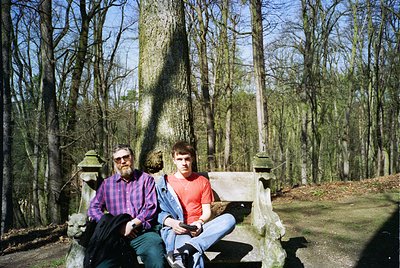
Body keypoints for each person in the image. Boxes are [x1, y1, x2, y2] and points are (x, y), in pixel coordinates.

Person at [156, 141, 236, 268]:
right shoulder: (165, 183)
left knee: (229, 219)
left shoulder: (202, 181)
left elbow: (207, 212)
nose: (184, 163)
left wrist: (199, 222)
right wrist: (172, 223)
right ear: (173, 160)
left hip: (199, 228)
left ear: (192, 159)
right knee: (194, 255)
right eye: (180, 159)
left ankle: (187, 248)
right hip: (179, 229)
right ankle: (187, 249)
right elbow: (159, 212)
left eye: (187, 158)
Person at [87, 144, 165, 268]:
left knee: (156, 259)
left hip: (143, 234)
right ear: (114, 163)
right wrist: (115, 226)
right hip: (114, 236)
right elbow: (93, 208)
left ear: (132, 158)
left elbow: (151, 207)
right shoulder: (107, 184)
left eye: (126, 157)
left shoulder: (146, 180)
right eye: (118, 159)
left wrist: (131, 224)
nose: (123, 161)